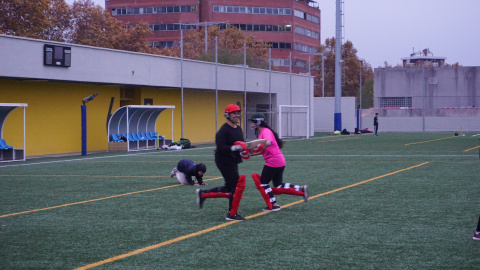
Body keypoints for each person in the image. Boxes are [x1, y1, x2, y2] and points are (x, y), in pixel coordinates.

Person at [196, 104, 247, 221]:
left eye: (238, 113)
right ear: (227, 115)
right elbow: (220, 148)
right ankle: (231, 214)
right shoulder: (223, 130)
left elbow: (241, 144)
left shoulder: (238, 128)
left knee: (229, 188)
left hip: (233, 159)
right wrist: (234, 148)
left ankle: (203, 194)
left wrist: (245, 152)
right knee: (236, 185)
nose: (237, 115)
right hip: (224, 160)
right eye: (234, 113)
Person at [247, 112, 308, 212]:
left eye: (253, 122)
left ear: (258, 122)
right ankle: (301, 188)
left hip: (273, 161)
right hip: (279, 160)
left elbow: (267, 143)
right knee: (278, 185)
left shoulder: (265, 132)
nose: (251, 124)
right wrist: (252, 154)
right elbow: (264, 149)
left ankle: (274, 205)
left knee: (263, 183)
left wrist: (255, 148)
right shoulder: (264, 132)